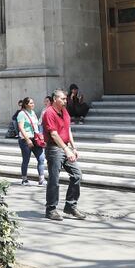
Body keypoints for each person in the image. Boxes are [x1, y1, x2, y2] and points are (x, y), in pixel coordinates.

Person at [42, 89, 85, 221]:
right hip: (54, 149)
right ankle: (51, 209)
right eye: (63, 99)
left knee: (77, 175)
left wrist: (73, 147)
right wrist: (66, 150)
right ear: (55, 99)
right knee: (54, 180)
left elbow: (68, 129)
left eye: (66, 99)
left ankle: (70, 206)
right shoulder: (49, 112)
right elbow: (54, 134)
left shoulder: (64, 111)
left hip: (65, 147)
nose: (65, 101)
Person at [17, 97, 46, 186]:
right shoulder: (21, 114)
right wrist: (27, 139)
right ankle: (24, 179)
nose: (33, 104)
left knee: (41, 158)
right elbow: (21, 128)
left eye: (33, 103)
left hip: (35, 139)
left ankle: (41, 179)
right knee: (26, 160)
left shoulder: (33, 113)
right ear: (26, 104)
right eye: (31, 103)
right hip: (25, 140)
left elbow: (37, 125)